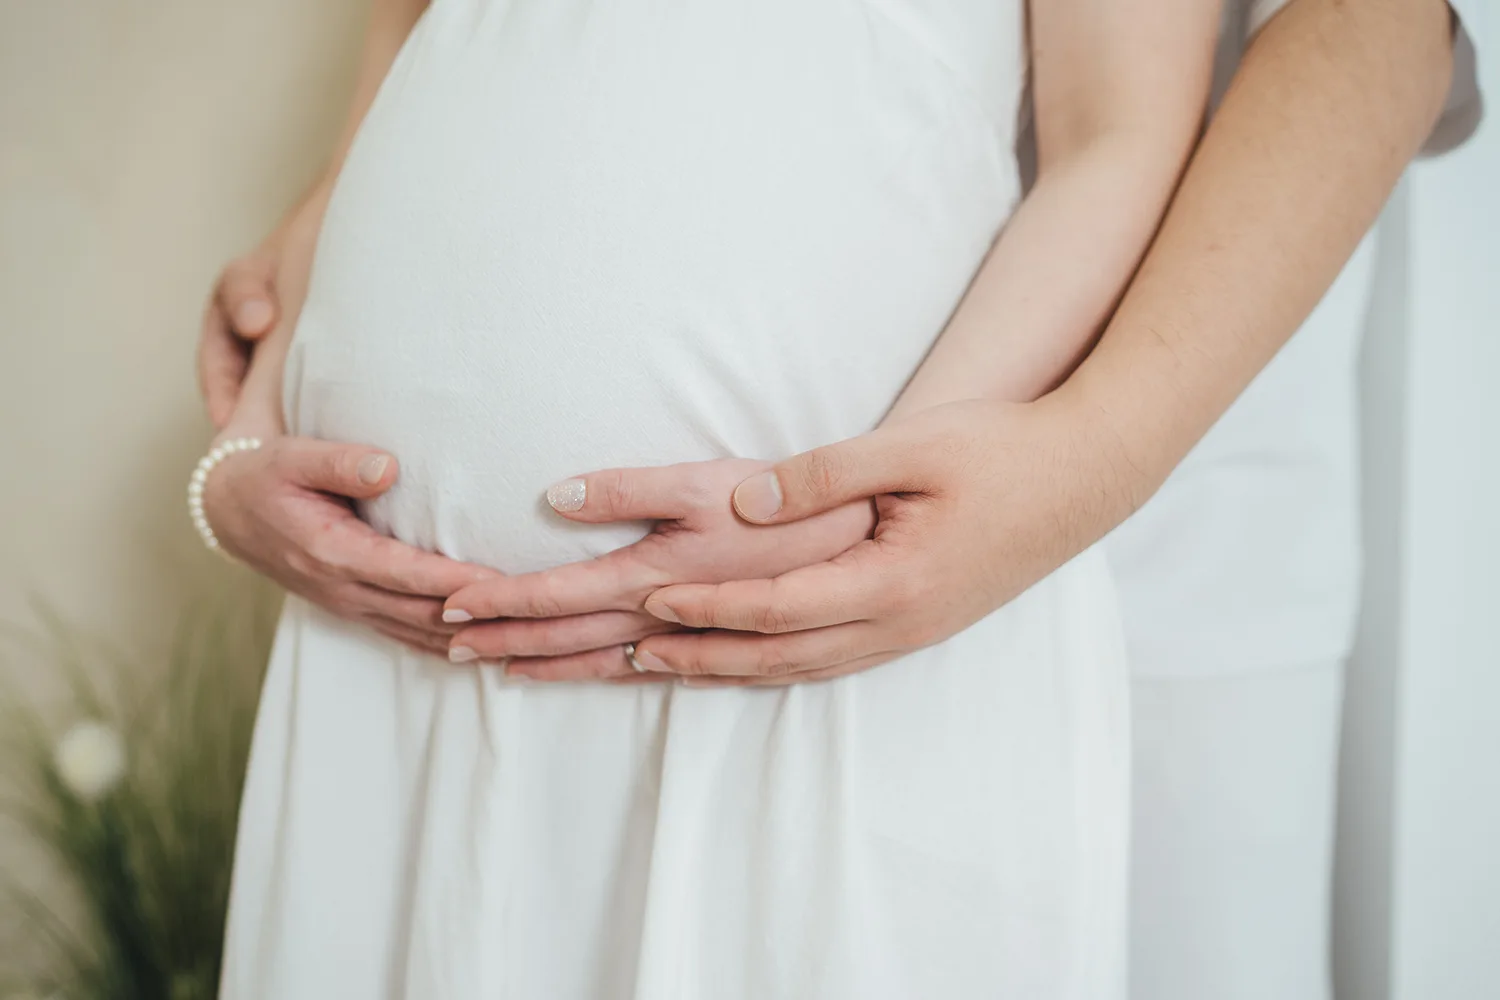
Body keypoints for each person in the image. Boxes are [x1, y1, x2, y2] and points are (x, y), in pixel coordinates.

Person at [200, 2, 1483, 998]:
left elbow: (1195, 102)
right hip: (382, 652)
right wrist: (269, 389)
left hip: (884, 588)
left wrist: (879, 495)